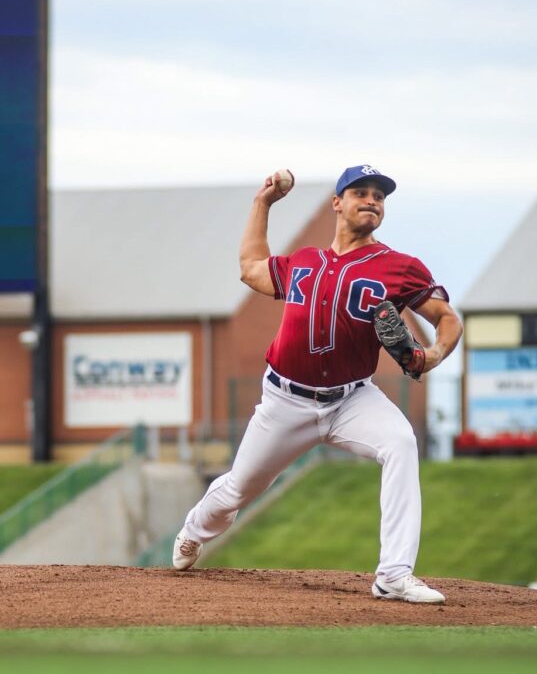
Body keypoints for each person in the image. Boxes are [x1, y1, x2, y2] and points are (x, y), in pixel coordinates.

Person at [172, 165, 462, 604]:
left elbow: (447, 319)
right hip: (285, 401)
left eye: (379, 196)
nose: (372, 200)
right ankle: (195, 530)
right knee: (239, 488)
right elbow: (251, 268)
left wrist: (433, 355)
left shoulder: (400, 268)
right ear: (337, 203)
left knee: (401, 443)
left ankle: (394, 575)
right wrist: (262, 203)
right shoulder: (305, 261)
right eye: (361, 192)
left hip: (352, 399)